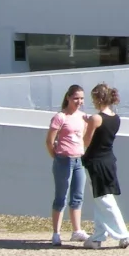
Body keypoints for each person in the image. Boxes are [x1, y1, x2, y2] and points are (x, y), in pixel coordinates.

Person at [81, 83, 129, 249]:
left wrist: (87, 125)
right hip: (108, 160)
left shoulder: (96, 118)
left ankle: (123, 235)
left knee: (104, 200)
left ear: (98, 98)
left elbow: (86, 141)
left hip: (95, 161)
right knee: (100, 200)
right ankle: (98, 237)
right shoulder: (116, 118)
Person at [43, 84, 90, 245]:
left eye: (82, 98)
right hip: (64, 159)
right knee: (61, 197)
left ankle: (77, 230)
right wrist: (56, 156)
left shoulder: (84, 117)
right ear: (68, 98)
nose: (79, 101)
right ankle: (56, 232)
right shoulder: (60, 117)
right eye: (76, 98)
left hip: (79, 160)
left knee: (77, 196)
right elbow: (49, 141)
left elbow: (83, 138)